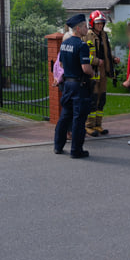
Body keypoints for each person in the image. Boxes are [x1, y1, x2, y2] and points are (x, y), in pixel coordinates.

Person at [53, 14, 95, 159]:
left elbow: (62, 64)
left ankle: (58, 146)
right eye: (84, 26)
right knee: (79, 119)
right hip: (79, 86)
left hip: (67, 85)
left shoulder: (64, 44)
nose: (87, 28)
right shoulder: (82, 45)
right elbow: (86, 68)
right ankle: (76, 150)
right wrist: (92, 72)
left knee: (65, 116)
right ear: (78, 28)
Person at [85, 10, 120, 136]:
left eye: (102, 23)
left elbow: (105, 53)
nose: (100, 25)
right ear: (92, 23)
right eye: (98, 23)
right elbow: (84, 56)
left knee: (102, 99)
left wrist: (113, 59)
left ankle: (98, 125)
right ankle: (89, 126)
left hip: (103, 72)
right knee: (93, 99)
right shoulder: (88, 36)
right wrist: (95, 61)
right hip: (93, 72)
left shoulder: (104, 35)